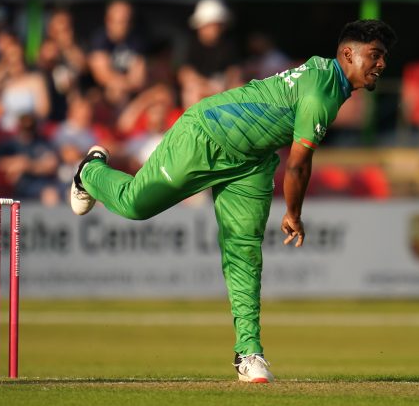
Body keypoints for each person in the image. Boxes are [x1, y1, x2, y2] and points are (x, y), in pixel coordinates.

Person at [69, 19, 397, 383]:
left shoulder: (328, 74)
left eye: (384, 57)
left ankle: (249, 352)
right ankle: (91, 171)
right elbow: (298, 166)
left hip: (251, 162)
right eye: (376, 55)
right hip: (206, 135)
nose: (382, 64)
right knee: (134, 205)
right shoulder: (323, 93)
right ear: (348, 53)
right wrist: (293, 213)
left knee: (245, 255)